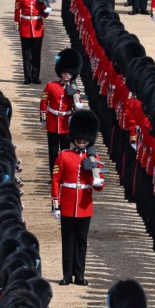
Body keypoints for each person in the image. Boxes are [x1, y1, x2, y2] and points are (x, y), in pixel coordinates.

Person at [51, 110, 105, 286]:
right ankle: (67, 275)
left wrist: (97, 180)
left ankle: (79, 274)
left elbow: (100, 185)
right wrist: (55, 204)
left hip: (84, 204)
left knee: (81, 241)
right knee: (67, 241)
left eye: (85, 138)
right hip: (67, 203)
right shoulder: (64, 155)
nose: (81, 141)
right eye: (79, 138)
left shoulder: (94, 158)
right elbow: (56, 180)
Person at [40, 47, 85, 172]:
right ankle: (53, 175)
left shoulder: (75, 90)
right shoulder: (51, 85)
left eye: (69, 73)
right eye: (64, 72)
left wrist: (78, 105)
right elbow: (44, 102)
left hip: (66, 124)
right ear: (60, 72)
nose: (66, 74)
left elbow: (77, 109)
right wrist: (43, 119)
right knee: (53, 152)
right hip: (53, 123)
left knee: (65, 152)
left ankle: (62, 174)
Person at [15, 0, 51, 84]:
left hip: (37, 27)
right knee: (26, 54)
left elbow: (44, 15)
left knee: (36, 54)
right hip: (25, 26)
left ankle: (35, 76)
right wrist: (16, 26)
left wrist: (47, 10)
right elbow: (17, 11)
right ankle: (27, 77)